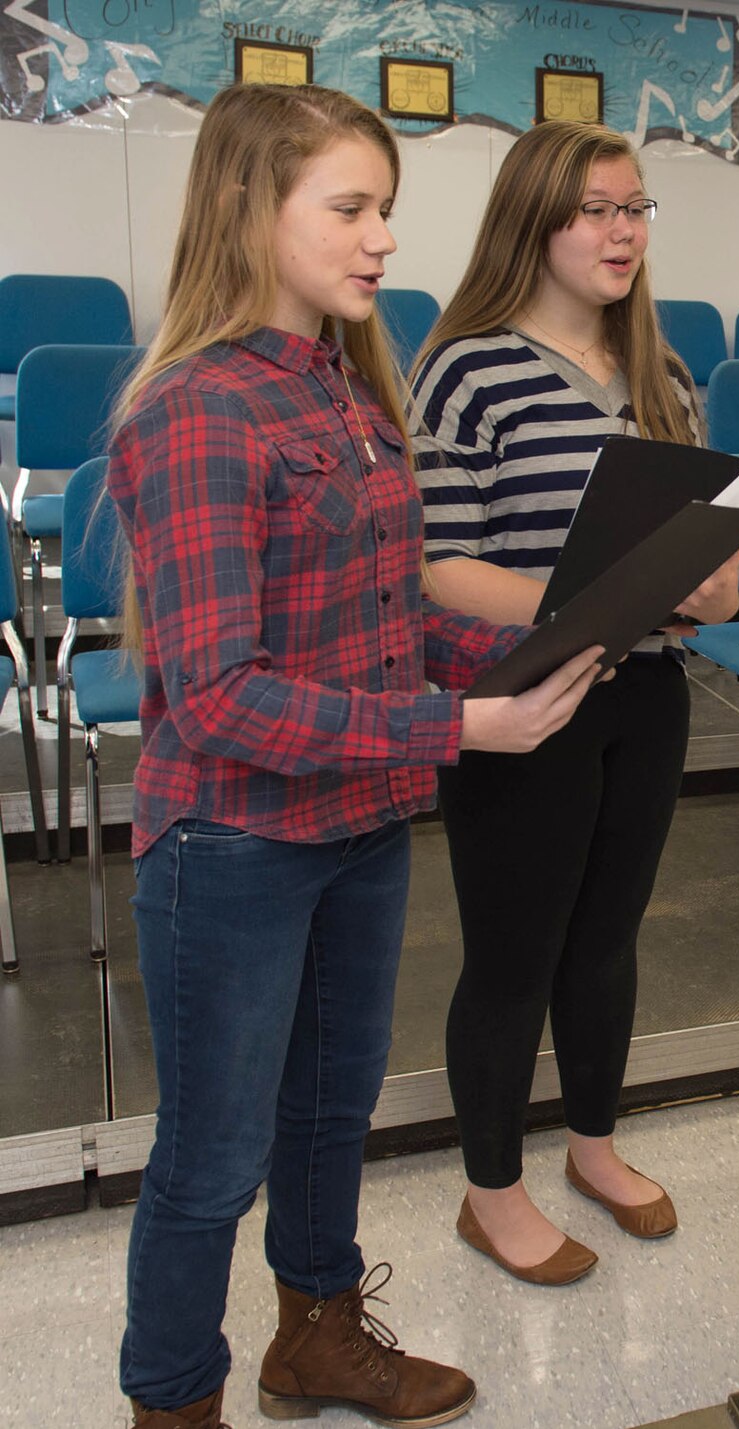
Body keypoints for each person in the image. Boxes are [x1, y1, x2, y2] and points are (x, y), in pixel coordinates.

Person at [107, 84, 607, 1429]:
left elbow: (384, 626)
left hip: (360, 824)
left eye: (384, 206)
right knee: (209, 1162)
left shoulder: (342, 385)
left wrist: (532, 654)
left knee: (330, 1122)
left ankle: (316, 1340)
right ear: (247, 211)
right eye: (351, 207)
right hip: (235, 845)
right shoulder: (197, 411)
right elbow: (215, 697)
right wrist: (460, 726)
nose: (383, 237)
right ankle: (172, 1401)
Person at [409, 120, 739, 1286]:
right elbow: (441, 566)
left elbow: (713, 580)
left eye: (636, 207)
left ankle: (592, 1145)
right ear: (535, 221)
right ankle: (488, 1191)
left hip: (644, 693)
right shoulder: (464, 366)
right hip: (520, 706)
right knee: (512, 955)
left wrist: (705, 586)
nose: (622, 231)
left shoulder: (667, 375)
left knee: (604, 942)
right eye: (597, 208)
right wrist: (594, 597)